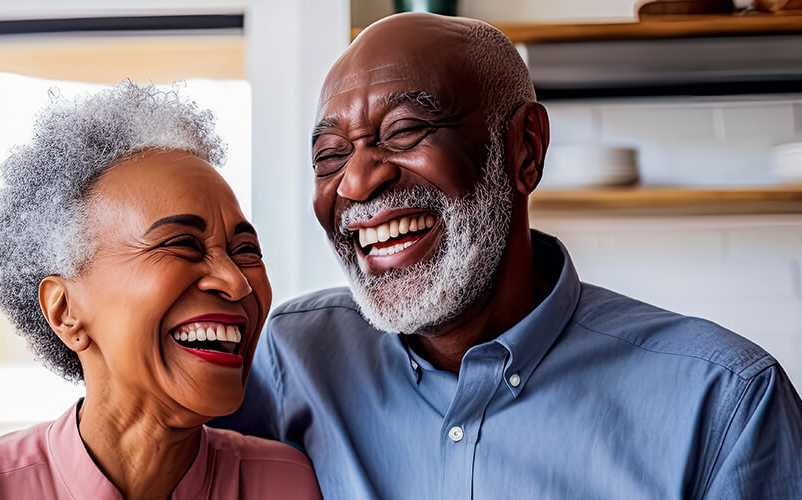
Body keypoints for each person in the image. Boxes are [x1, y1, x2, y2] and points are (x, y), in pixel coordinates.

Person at [212, 13, 802, 499]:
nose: (357, 182)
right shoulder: (288, 360)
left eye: (406, 129)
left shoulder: (727, 405)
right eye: (330, 156)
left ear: (525, 150)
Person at [0, 82, 321, 500]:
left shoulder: (291, 483)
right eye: (181, 244)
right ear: (65, 309)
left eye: (244, 249)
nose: (235, 281)